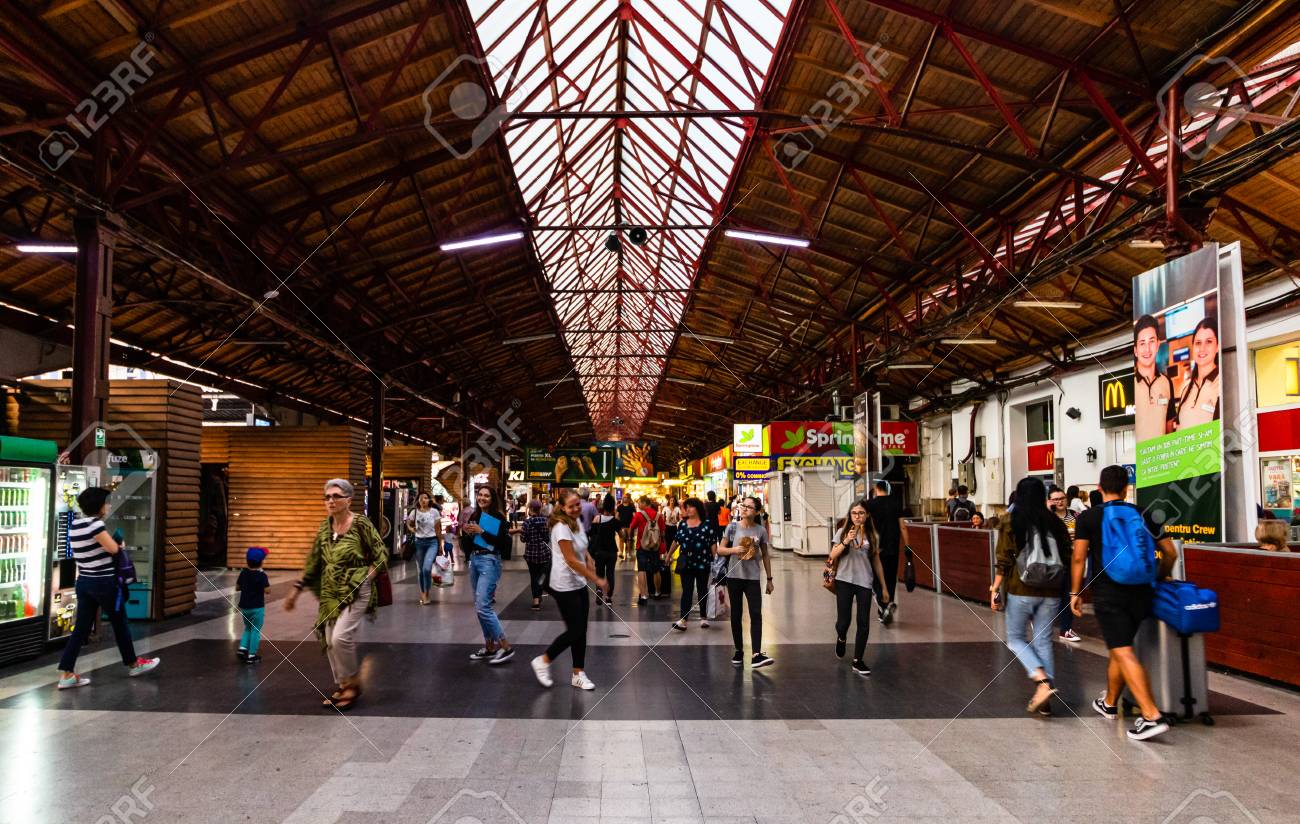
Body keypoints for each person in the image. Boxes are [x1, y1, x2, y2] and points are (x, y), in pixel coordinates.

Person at [1070, 465, 1178, 741]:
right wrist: (1160, 574)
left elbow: (1079, 558)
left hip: (1110, 593)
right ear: (1127, 488)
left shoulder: (1089, 518)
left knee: (1122, 649)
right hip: (1142, 591)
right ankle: (1109, 702)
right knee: (1121, 648)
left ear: (1099, 487)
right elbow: (1170, 553)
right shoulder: (1145, 514)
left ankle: (1151, 715)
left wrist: (1075, 592)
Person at [284, 478, 387, 710]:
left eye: (336, 496)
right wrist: (296, 590)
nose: (330, 501)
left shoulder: (361, 524)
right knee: (330, 641)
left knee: (341, 637)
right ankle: (342, 683)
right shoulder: (325, 527)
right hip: (331, 593)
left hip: (357, 590)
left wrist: (366, 577)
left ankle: (353, 682)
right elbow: (314, 561)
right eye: (327, 497)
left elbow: (381, 555)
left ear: (348, 500)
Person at [56, 487, 161, 690]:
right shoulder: (96, 525)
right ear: (98, 505)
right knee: (119, 622)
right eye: (106, 501)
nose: (108, 505)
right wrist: (120, 544)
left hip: (84, 582)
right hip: (104, 583)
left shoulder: (75, 524)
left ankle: (67, 673)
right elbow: (112, 549)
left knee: (80, 629)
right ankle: (133, 663)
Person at [991, 478, 1072, 716]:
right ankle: (1045, 701)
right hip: (1050, 591)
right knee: (1043, 640)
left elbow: (1003, 559)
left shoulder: (1009, 521)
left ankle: (1042, 681)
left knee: (1015, 638)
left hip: (1020, 589)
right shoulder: (1055, 522)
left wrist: (995, 588)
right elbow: (1067, 555)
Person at [531, 489, 607, 691]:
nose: (576, 508)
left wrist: (589, 559)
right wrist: (596, 579)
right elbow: (571, 559)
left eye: (577, 504)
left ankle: (578, 673)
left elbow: (581, 549)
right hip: (564, 585)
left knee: (581, 630)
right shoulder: (561, 527)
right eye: (571, 506)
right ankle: (543, 660)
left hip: (579, 584)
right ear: (562, 508)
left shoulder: (577, 521)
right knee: (575, 630)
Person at [828, 499, 890, 675]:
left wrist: (884, 588)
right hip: (844, 580)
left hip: (864, 582)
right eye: (854, 513)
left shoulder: (873, 535)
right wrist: (846, 540)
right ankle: (841, 637)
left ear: (867, 515)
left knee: (863, 622)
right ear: (850, 515)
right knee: (843, 621)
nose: (858, 516)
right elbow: (833, 554)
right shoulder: (842, 532)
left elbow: (876, 561)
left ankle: (858, 660)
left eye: (861, 513)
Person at [460, 485, 515, 664]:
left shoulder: (498, 518)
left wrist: (482, 532)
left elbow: (503, 544)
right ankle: (490, 646)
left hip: (490, 562)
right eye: (480, 495)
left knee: (484, 606)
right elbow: (468, 547)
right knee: (479, 606)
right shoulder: (474, 516)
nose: (482, 498)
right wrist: (467, 534)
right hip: (474, 561)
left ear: (492, 499)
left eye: (486, 496)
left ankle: (505, 646)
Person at [718, 495, 775, 668]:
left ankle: (757, 654)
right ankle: (738, 650)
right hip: (734, 577)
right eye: (743, 505)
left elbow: (765, 554)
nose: (744, 508)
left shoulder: (760, 530)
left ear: (757, 511)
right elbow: (720, 549)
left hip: (752, 578)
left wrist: (770, 579)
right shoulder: (732, 527)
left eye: (749, 507)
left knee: (756, 614)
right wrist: (734, 550)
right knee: (736, 615)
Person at [670, 497, 717, 632]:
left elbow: (712, 543)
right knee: (687, 591)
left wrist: (716, 561)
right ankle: (683, 620)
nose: (688, 509)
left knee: (702, 590)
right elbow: (676, 540)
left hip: (703, 562)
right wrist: (668, 555)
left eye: (691, 506)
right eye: (687, 507)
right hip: (686, 563)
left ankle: (703, 617)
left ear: (698, 508)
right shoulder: (682, 524)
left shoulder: (707, 524)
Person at [866, 479, 905, 626]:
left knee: (876, 579)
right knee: (890, 578)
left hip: (876, 548)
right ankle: (889, 603)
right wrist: (908, 546)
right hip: (893, 547)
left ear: (876, 489)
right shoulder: (896, 503)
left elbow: (864, 525)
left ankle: (883, 608)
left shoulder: (869, 505)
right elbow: (903, 527)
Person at [1047, 485, 1081, 643]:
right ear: (1049, 501)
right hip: (1051, 563)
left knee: (1068, 594)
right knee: (1050, 596)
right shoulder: (1046, 517)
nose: (1059, 502)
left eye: (1062, 498)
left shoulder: (1076, 516)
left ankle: (1065, 629)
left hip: (1071, 561)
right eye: (1055, 499)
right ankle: (1041, 623)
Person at [1174, 317, 1221, 430]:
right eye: (1198, 343)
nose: (1202, 348)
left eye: (1209, 342)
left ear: (1218, 346)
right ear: (1193, 347)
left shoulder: (1222, 383)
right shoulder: (1186, 389)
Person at [1133, 314, 1173, 442]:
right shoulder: (1129, 382)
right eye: (1142, 343)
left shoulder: (1167, 382)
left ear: (1157, 344)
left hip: (1161, 459)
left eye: (1151, 342)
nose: (1147, 349)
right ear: (1135, 350)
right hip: (1137, 459)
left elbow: (1169, 428)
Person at [405, 492, 442, 605]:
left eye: (426, 498)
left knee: (426, 568)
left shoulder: (434, 512)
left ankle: (427, 591)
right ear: (418, 501)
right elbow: (408, 523)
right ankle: (424, 593)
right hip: (419, 542)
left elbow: (438, 529)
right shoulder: (414, 512)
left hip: (432, 542)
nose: (423, 500)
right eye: (421, 499)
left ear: (429, 500)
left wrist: (440, 545)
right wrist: (411, 529)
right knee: (421, 571)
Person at [237, 546, 271, 663]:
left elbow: (237, 587)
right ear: (261, 562)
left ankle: (242, 648)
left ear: (247, 561)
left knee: (247, 628)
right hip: (257, 608)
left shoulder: (243, 573)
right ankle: (252, 656)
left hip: (245, 607)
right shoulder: (262, 576)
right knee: (255, 630)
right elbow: (268, 590)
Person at [630, 496, 667, 604]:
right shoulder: (658, 516)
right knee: (656, 570)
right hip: (655, 546)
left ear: (644, 503)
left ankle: (643, 596)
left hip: (641, 546)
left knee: (642, 570)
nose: (638, 505)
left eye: (639, 503)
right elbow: (663, 532)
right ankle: (657, 592)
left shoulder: (639, 514)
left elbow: (632, 527)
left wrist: (630, 538)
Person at [519, 500, 551, 611]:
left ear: (531, 509)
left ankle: (535, 600)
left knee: (533, 577)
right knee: (542, 576)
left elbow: (522, 539)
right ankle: (540, 590)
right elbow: (547, 538)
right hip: (544, 553)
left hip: (531, 554)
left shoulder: (527, 523)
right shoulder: (545, 521)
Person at [589, 496, 620, 605]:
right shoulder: (615, 521)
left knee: (599, 573)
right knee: (610, 573)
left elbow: (591, 533)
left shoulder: (597, 519)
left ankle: (599, 591)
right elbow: (623, 535)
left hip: (599, 551)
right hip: (612, 551)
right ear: (612, 507)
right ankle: (608, 597)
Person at [616, 494, 636, 560]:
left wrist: (633, 524)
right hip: (621, 526)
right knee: (621, 539)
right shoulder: (619, 507)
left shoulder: (631, 507)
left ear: (628, 499)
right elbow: (617, 516)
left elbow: (634, 516)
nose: (624, 499)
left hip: (629, 526)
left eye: (626, 497)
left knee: (629, 540)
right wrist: (617, 523)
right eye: (623, 497)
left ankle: (628, 553)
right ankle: (621, 552)